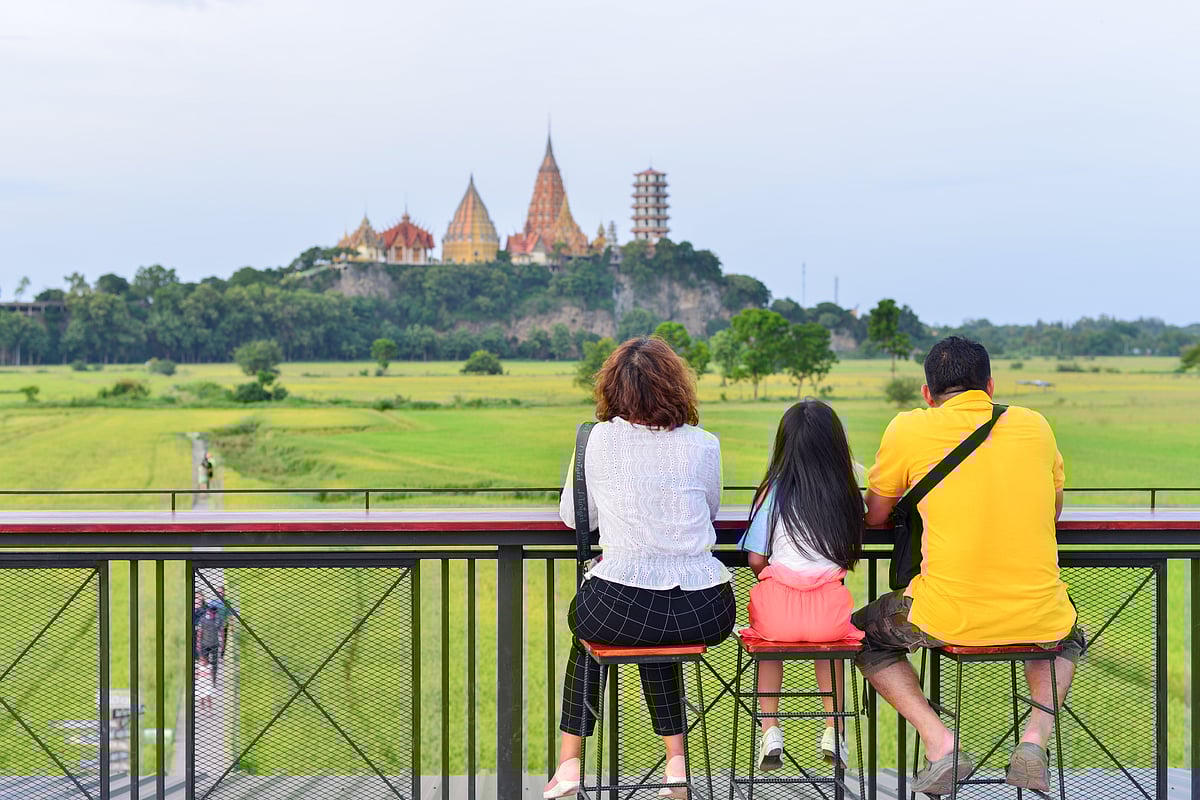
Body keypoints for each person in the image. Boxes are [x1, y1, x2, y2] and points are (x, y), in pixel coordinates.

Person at [853, 336, 1083, 795]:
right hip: (1037, 614)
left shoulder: (907, 429)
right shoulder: (1035, 425)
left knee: (862, 634)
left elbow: (876, 516)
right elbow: (1052, 509)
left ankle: (940, 743)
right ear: (990, 386)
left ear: (927, 393)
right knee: (1066, 633)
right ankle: (1034, 740)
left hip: (945, 615)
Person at [544, 337, 735, 800]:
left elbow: (575, 517)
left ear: (612, 389)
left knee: (595, 632)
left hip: (618, 607)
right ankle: (676, 762)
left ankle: (569, 763)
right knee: (659, 636)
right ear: (676, 387)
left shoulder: (593, 440)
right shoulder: (703, 444)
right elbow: (709, 509)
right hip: (705, 608)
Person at [738, 399, 865, 771]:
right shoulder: (846, 492)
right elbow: (846, 551)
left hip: (777, 613)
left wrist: (774, 578)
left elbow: (756, 559)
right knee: (831, 650)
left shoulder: (771, 493)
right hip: (829, 610)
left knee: (768, 649)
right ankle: (833, 729)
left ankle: (770, 730)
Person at [196, 606, 222, 686]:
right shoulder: (203, 619)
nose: (213, 614)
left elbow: (221, 631)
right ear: (208, 611)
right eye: (212, 613)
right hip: (204, 644)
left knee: (214, 663)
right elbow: (200, 632)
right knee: (204, 662)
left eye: (215, 613)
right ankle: (203, 682)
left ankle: (213, 680)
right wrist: (198, 643)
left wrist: (222, 644)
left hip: (215, 644)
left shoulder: (218, 619)